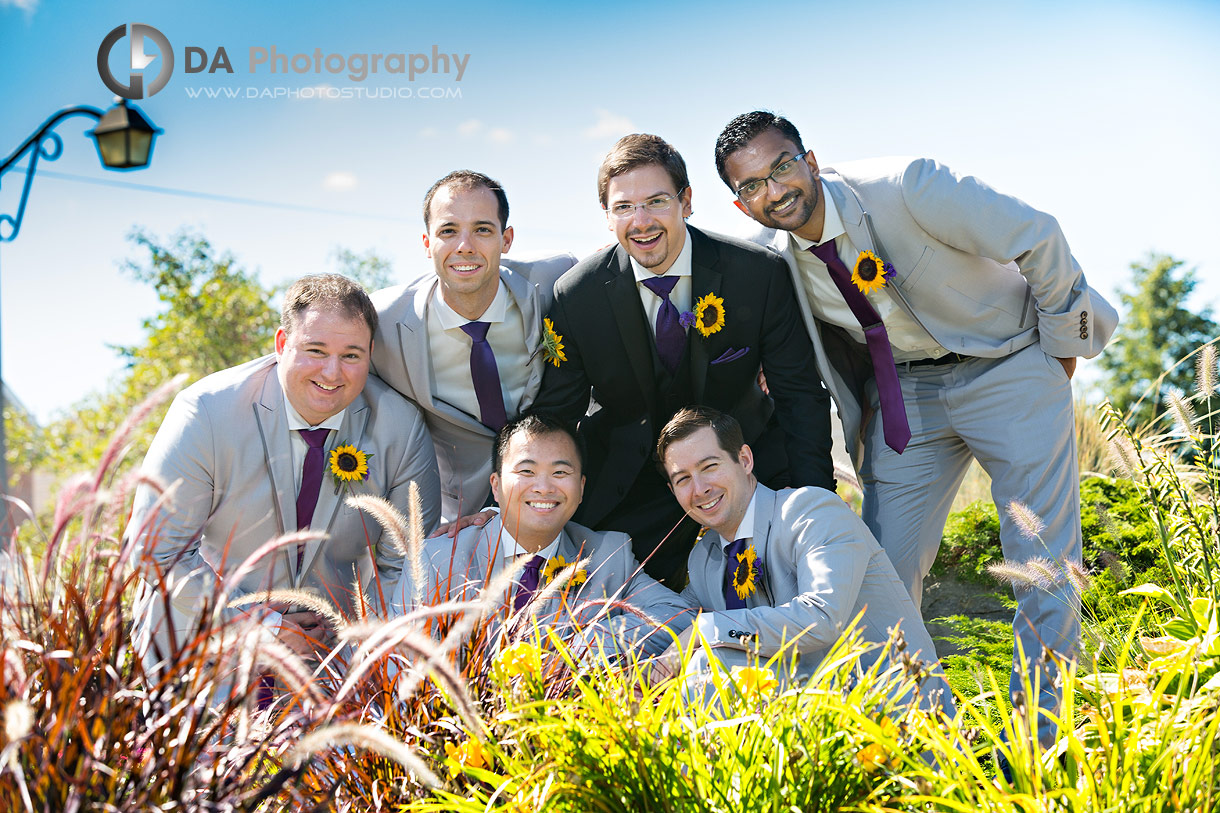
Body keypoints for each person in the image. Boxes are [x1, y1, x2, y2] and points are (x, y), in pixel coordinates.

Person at [714, 111, 1118, 733]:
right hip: (907, 401)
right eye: (752, 186)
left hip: (1007, 365)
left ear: (811, 160)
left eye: (783, 167)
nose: (774, 190)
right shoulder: (774, 263)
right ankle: (916, 743)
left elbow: (1038, 234)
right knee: (877, 569)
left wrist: (1060, 347)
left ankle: (1044, 743)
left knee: (1042, 559)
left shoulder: (910, 186)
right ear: (741, 205)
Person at [532, 134, 834, 585]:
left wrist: (817, 502)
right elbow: (557, 413)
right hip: (632, 477)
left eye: (656, 201)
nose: (641, 222)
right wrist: (519, 503)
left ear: (686, 200)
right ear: (607, 216)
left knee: (786, 585)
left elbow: (799, 394)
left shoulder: (757, 274)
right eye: (623, 207)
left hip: (745, 461)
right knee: (614, 609)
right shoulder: (576, 296)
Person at [130, 274, 441, 669]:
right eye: (315, 350)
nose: (332, 373)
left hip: (331, 653)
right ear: (281, 344)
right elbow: (158, 553)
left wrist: (366, 661)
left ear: (370, 353)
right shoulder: (206, 412)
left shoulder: (399, 427)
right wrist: (266, 629)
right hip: (206, 641)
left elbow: (408, 567)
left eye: (351, 355)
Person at [657, 406, 952, 713]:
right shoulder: (705, 559)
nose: (700, 488)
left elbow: (823, 618)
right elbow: (675, 620)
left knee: (710, 661)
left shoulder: (810, 512)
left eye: (709, 466)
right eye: (683, 479)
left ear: (744, 460)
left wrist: (710, 629)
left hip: (896, 718)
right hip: (801, 723)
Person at [395, 413, 693, 660]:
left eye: (560, 473)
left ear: (581, 488)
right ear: (496, 487)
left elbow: (679, 614)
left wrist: (579, 648)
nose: (544, 487)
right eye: (526, 471)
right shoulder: (436, 559)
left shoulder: (606, 554)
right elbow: (401, 663)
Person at [371, 170, 575, 522]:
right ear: (426, 243)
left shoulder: (555, 278)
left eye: (482, 229)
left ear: (506, 239)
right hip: (457, 515)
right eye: (448, 231)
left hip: (558, 495)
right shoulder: (383, 322)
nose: (465, 245)